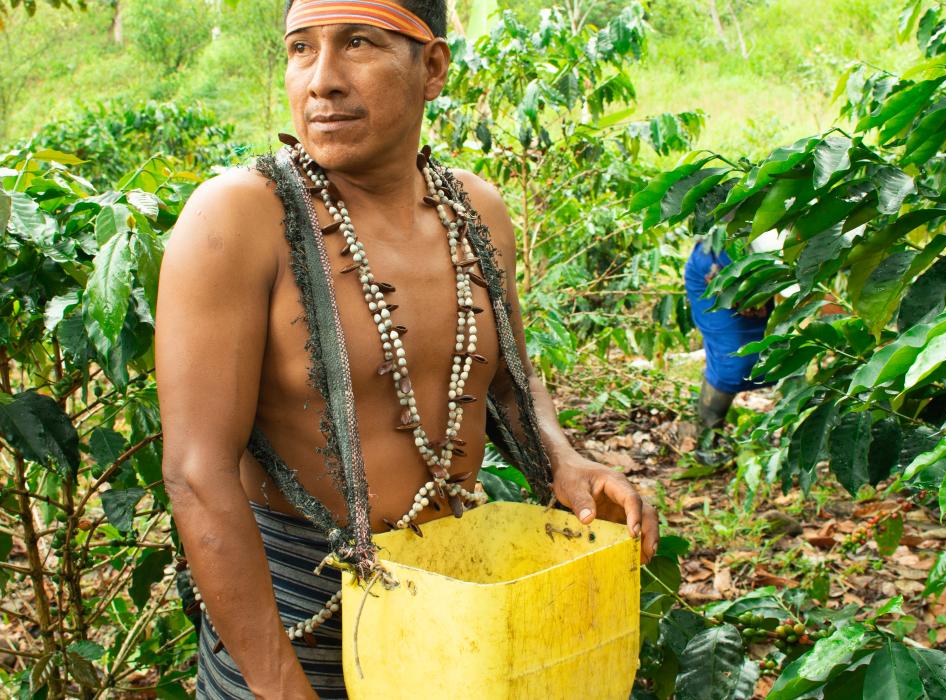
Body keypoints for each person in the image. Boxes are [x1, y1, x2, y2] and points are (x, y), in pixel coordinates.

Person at [153, 1, 659, 697]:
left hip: (451, 600)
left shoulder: (475, 211)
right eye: (301, 48)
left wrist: (564, 462)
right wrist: (275, 683)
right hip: (293, 609)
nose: (321, 80)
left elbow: (506, 384)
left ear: (433, 67)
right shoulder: (240, 217)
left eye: (356, 42)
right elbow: (195, 471)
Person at [683, 235, 770, 435]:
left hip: (768, 266)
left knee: (792, 350)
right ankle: (706, 437)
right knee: (733, 359)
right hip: (717, 267)